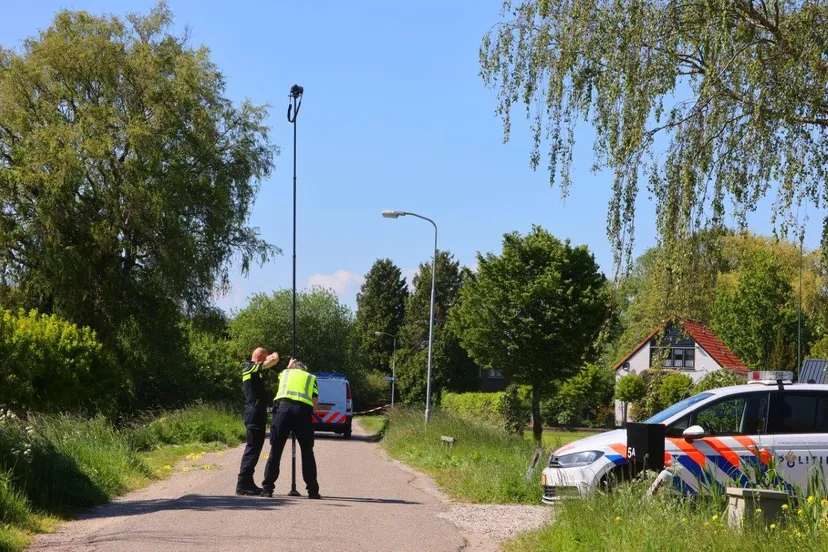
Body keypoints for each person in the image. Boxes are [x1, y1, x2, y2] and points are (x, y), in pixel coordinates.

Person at [261, 359, 321, 499]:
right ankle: (312, 491)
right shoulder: (311, 378)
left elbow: (284, 373)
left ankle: (267, 489)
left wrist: (288, 366)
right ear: (303, 369)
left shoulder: (284, 374)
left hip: (282, 411)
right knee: (307, 453)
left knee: (275, 451)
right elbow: (315, 406)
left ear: (291, 367)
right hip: (302, 412)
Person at [236, 347, 281, 496]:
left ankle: (247, 482)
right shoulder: (251, 367)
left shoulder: (256, 371)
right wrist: (274, 356)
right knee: (253, 447)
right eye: (265, 357)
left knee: (255, 447)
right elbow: (273, 361)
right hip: (254, 412)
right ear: (260, 357)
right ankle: (243, 483)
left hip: (256, 412)